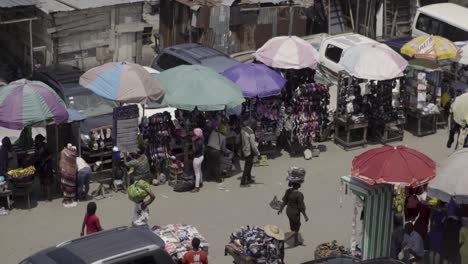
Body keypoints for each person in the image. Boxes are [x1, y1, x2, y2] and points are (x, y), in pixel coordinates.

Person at [278, 181, 309, 247]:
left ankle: (296, 241)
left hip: (288, 211)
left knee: (293, 227)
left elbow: (284, 201)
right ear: (298, 185)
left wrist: (281, 209)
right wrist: (305, 216)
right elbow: (301, 207)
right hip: (295, 213)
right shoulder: (299, 194)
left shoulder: (288, 191)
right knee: (295, 230)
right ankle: (282, 241)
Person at [240, 119, 260, 187]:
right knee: (247, 166)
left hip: (244, 148)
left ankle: (248, 178)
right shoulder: (251, 133)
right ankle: (242, 182)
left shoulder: (243, 129)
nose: (256, 127)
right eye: (255, 125)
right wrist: (257, 153)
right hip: (249, 150)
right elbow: (253, 145)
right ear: (252, 125)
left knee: (250, 164)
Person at [33, 134, 53, 200]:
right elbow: (36, 155)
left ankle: (49, 197)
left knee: (47, 182)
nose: (35, 141)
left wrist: (44, 161)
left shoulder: (46, 146)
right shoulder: (36, 146)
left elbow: (51, 155)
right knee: (41, 181)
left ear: (40, 140)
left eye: (36, 140)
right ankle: (44, 195)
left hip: (46, 166)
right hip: (40, 166)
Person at [192, 128, 204, 193]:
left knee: (197, 173)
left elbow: (194, 150)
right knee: (199, 170)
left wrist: (193, 142)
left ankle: (197, 187)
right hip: (201, 156)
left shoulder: (198, 142)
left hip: (197, 158)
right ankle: (201, 183)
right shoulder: (201, 138)